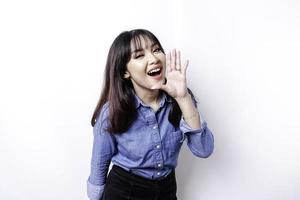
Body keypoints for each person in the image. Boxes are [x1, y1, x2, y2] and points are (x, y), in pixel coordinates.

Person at [87, 29, 214, 200]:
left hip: (166, 190)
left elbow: (204, 150)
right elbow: (98, 168)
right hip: (124, 191)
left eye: (156, 50)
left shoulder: (182, 99)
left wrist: (183, 98)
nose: (154, 59)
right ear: (125, 72)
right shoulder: (112, 112)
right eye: (139, 56)